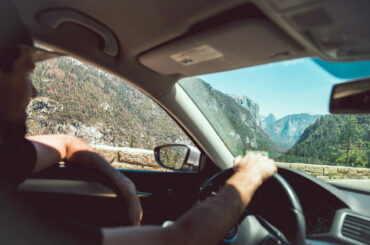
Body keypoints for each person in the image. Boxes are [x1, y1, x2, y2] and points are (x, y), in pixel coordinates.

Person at [0, 1, 277, 244]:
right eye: (27, 70)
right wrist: (250, 174)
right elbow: (179, 239)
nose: (34, 91)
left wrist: (125, 185)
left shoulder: (8, 157)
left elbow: (68, 143)